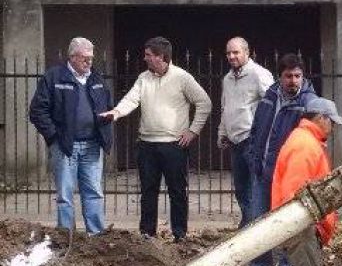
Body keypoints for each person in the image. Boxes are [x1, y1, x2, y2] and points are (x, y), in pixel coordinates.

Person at [235, 97, 342, 266]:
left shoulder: (304, 141)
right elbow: (298, 194)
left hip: (301, 224)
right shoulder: (306, 145)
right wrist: (311, 224)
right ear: (321, 118)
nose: (334, 128)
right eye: (332, 122)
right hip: (300, 225)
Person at [99, 36, 211, 241]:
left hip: (174, 146)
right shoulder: (144, 78)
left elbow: (204, 103)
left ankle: (180, 234)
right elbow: (132, 99)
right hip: (147, 145)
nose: (145, 58)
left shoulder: (182, 78)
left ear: (162, 57)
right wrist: (115, 112)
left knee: (177, 191)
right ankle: (147, 234)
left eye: (149, 55)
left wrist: (193, 131)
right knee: (148, 191)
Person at [241, 53, 317, 266]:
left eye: (297, 76)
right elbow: (256, 130)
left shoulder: (309, 103)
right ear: (279, 77)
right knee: (258, 223)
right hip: (262, 173)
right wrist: (253, 158)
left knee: (287, 226)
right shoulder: (270, 96)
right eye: (288, 76)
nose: (293, 81)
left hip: (288, 178)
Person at [29, 37, 113, 235]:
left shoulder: (97, 80)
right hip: (65, 146)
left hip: (92, 145)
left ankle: (96, 236)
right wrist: (54, 137)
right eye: (85, 58)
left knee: (93, 192)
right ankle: (66, 237)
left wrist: (105, 127)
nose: (89, 62)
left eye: (91, 58)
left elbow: (108, 107)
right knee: (65, 195)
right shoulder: (54, 77)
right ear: (72, 57)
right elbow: (37, 111)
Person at [216, 36, 274, 229]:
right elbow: (225, 108)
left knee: (256, 186)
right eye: (228, 53)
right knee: (241, 187)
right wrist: (222, 133)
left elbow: (272, 104)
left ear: (247, 53)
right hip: (235, 140)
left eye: (236, 52)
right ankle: (249, 222)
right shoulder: (228, 78)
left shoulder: (259, 74)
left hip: (253, 139)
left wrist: (264, 133)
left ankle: (257, 225)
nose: (231, 56)